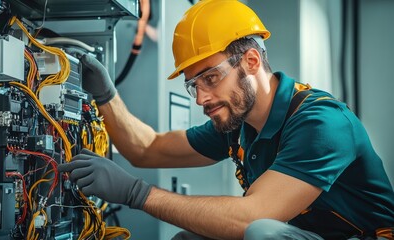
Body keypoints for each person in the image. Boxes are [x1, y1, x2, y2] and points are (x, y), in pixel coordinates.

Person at [58, 0, 394, 239]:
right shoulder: (238, 124)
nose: (201, 98)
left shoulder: (321, 123)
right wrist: (106, 96)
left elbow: (253, 217)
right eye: (193, 85)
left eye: (211, 78)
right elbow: (147, 149)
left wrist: (136, 193)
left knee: (261, 231)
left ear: (250, 61)